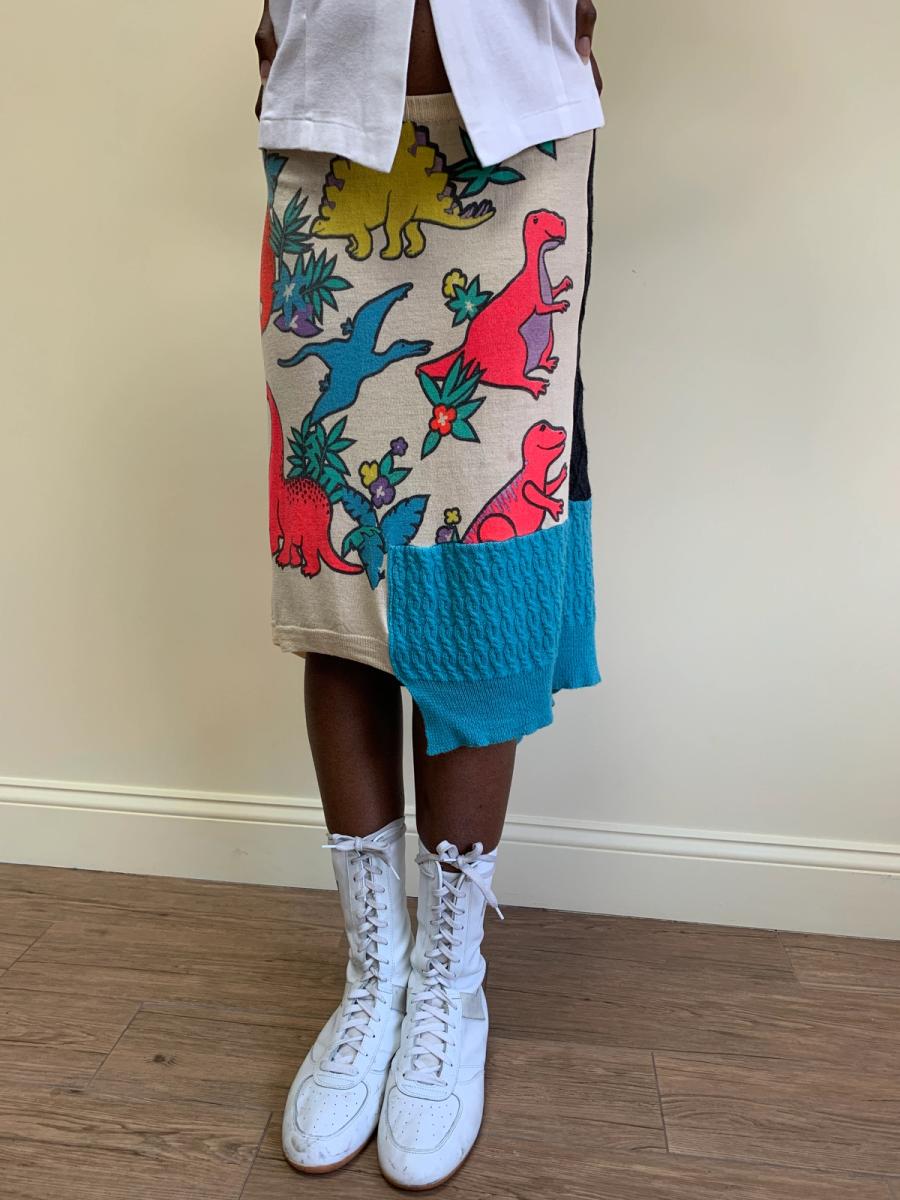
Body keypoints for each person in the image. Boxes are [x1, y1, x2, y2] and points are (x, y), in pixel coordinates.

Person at [254, 0, 604, 1188]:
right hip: (323, 121)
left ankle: (449, 984)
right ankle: (376, 976)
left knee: (482, 556)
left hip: (517, 129)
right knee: (339, 558)